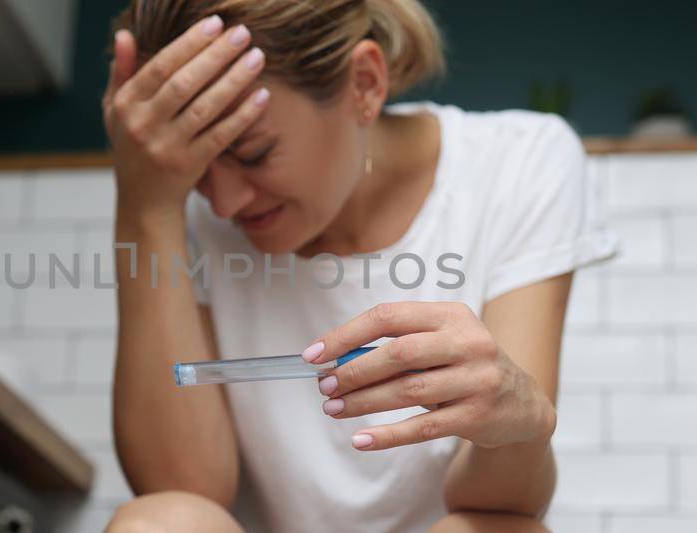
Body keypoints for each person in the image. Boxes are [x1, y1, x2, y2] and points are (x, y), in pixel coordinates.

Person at [101, 1, 616, 531]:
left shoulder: (519, 163)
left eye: (253, 153)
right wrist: (146, 204)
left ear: (365, 84)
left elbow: (500, 508)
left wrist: (522, 426)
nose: (225, 203)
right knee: (157, 521)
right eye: (197, 174)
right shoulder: (181, 209)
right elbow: (185, 489)